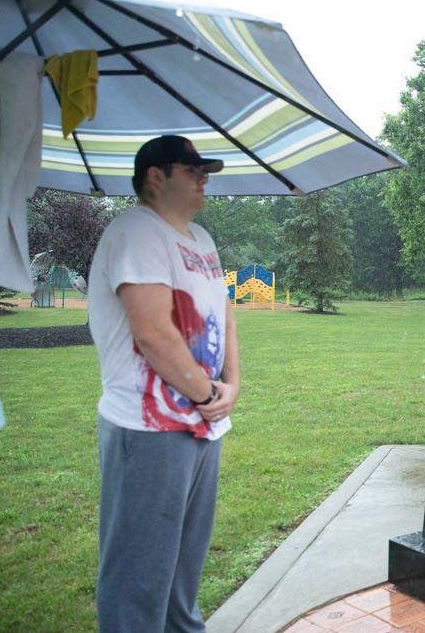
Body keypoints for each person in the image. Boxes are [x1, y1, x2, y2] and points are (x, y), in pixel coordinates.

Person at [88, 135, 240, 631]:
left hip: (203, 424)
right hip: (148, 429)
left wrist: (231, 386)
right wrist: (205, 394)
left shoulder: (203, 240)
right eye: (192, 171)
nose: (204, 180)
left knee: (181, 575)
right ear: (156, 176)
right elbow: (152, 332)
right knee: (139, 575)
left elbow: (224, 313)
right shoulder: (136, 231)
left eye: (205, 172)